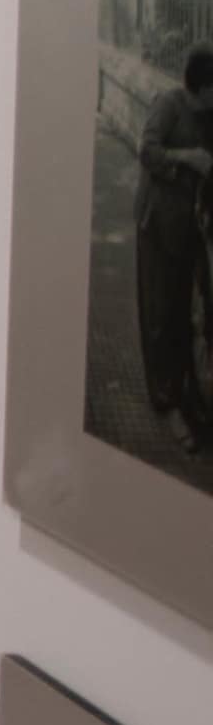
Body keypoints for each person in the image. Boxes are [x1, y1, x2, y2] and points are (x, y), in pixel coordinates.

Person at [133, 49, 213, 453]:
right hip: (157, 222)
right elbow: (146, 150)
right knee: (160, 313)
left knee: (184, 310)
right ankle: (164, 401)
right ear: (201, 88)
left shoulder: (208, 116)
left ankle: (186, 392)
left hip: (188, 227)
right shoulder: (168, 105)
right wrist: (189, 159)